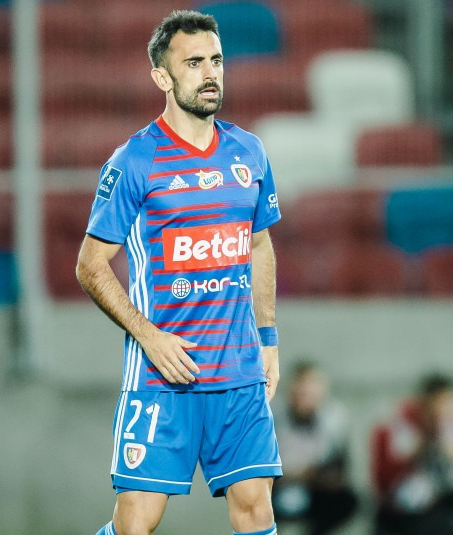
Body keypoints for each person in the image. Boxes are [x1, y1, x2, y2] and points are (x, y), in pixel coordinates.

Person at [75, 10, 282, 535]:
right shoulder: (134, 161)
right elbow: (90, 265)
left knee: (256, 508)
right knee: (137, 522)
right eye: (193, 63)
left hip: (239, 371)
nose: (210, 73)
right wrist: (149, 337)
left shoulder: (249, 151)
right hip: (162, 375)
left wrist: (268, 339)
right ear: (162, 78)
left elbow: (259, 245)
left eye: (216, 60)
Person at [371, 374, 453, 535]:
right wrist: (415, 453)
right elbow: (383, 482)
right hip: (409, 501)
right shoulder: (395, 426)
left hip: (449, 493)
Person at [272, 361, 358, 534]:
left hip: (317, 488)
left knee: (346, 500)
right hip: (279, 487)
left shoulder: (335, 420)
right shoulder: (274, 418)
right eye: (300, 392)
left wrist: (314, 476)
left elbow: (340, 470)